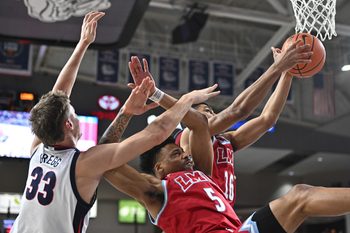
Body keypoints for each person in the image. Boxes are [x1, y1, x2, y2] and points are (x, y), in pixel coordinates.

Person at [10, 11, 220, 233]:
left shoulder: (38, 149)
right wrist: (188, 99)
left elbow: (58, 94)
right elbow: (157, 132)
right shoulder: (83, 163)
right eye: (73, 113)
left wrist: (83, 44)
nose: (75, 114)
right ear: (69, 125)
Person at [104, 90, 350, 233]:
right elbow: (104, 159)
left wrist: (187, 99)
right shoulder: (158, 190)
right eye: (176, 154)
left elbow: (264, 120)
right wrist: (127, 111)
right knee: (299, 197)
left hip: (237, 229)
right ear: (160, 168)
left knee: (301, 195)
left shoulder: (203, 170)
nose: (185, 154)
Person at [127, 40, 312, 207]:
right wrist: (277, 68)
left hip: (223, 213)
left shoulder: (227, 141)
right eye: (206, 112)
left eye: (213, 111)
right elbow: (237, 111)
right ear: (190, 119)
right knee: (297, 200)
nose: (212, 114)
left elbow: (267, 119)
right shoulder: (188, 137)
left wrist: (287, 75)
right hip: (201, 209)